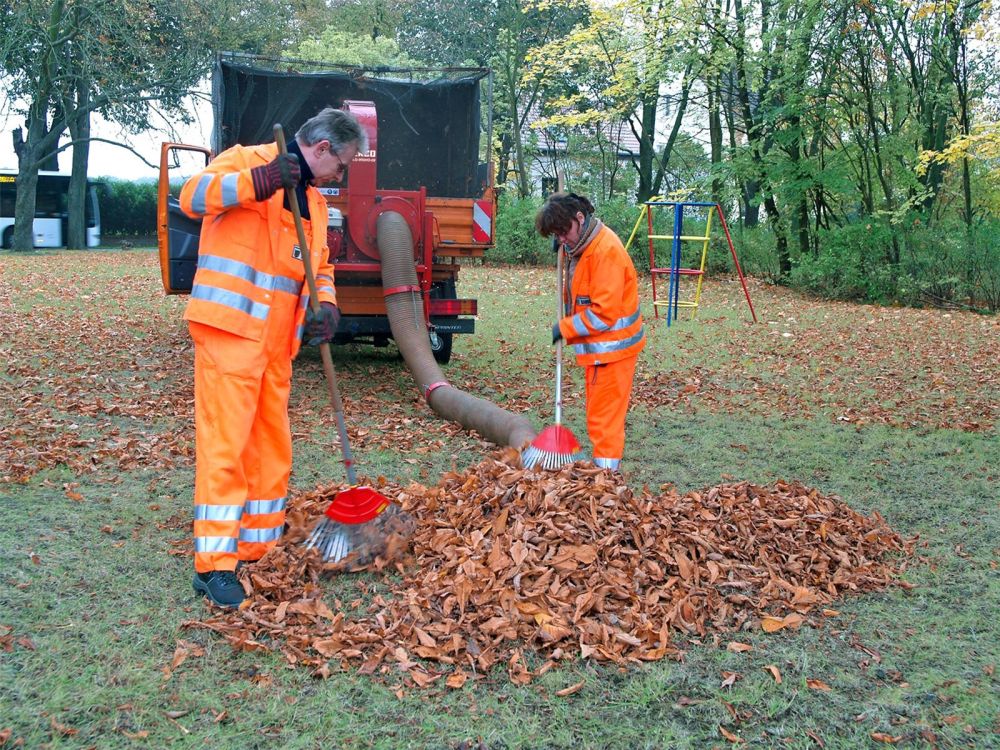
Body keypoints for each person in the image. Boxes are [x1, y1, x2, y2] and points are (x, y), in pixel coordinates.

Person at [180, 107, 368, 607]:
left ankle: (257, 546)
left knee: (270, 447)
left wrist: (326, 304)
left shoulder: (315, 204)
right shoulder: (247, 161)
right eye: (343, 163)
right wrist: (259, 180)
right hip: (229, 332)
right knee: (226, 448)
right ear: (323, 147)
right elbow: (191, 197)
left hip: (276, 344)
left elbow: (318, 266)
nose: (342, 174)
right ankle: (214, 565)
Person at [535, 192, 646, 471]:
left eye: (564, 232)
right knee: (598, 415)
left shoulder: (605, 251)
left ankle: (606, 479)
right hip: (602, 351)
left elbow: (603, 314)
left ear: (580, 219)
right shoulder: (580, 247)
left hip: (612, 351)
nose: (562, 239)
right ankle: (603, 472)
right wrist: (565, 247)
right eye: (557, 235)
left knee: (604, 420)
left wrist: (566, 328)